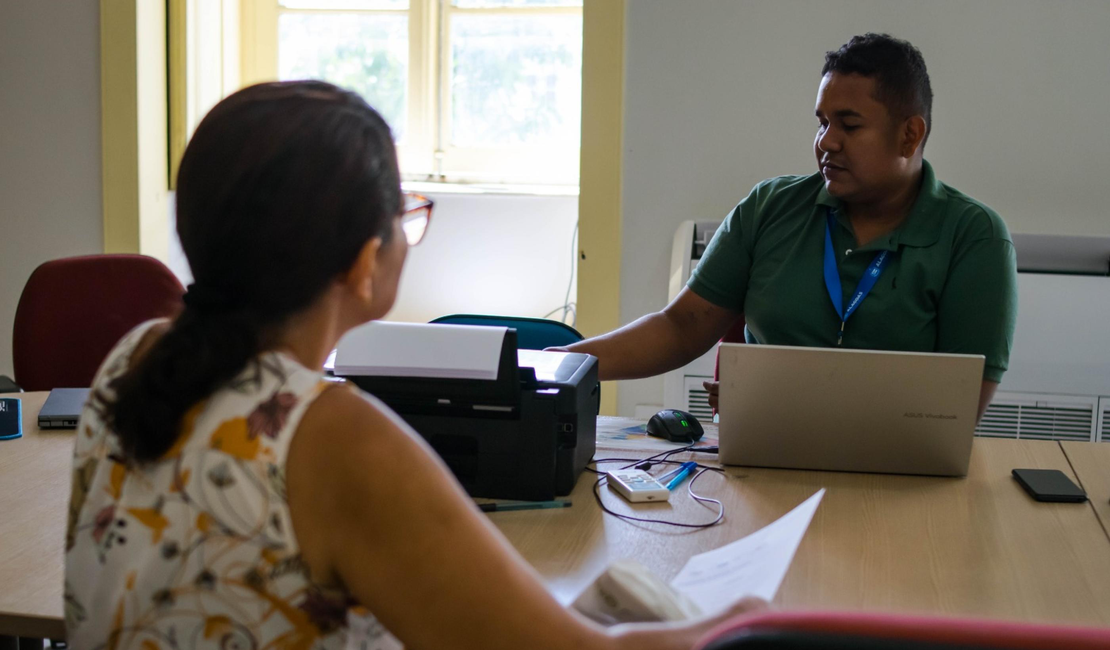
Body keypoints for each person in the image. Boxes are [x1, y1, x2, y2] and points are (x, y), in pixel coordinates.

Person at [64, 81, 763, 650]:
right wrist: (743, 626)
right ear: (366, 264)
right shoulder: (337, 439)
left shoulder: (134, 357)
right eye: (404, 213)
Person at [562, 33, 1017, 419]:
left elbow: (955, 408)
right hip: (761, 463)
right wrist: (560, 365)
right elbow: (681, 328)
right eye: (821, 123)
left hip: (897, 478)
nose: (826, 142)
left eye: (850, 125)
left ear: (910, 135)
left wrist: (779, 403)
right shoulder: (770, 207)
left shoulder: (973, 237)